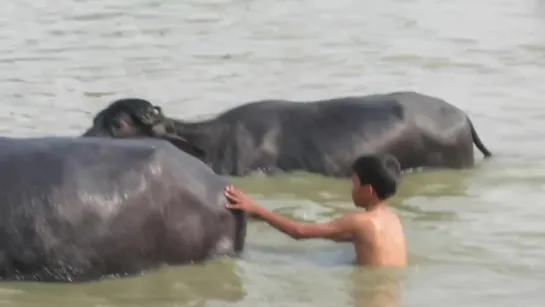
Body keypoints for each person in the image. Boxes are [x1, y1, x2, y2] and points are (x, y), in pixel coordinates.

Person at [224, 153, 407, 267]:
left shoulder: (359, 221)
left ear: (368, 190)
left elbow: (299, 232)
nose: (351, 189)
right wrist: (259, 216)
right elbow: (347, 237)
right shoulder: (392, 219)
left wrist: (256, 207)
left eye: (354, 183)